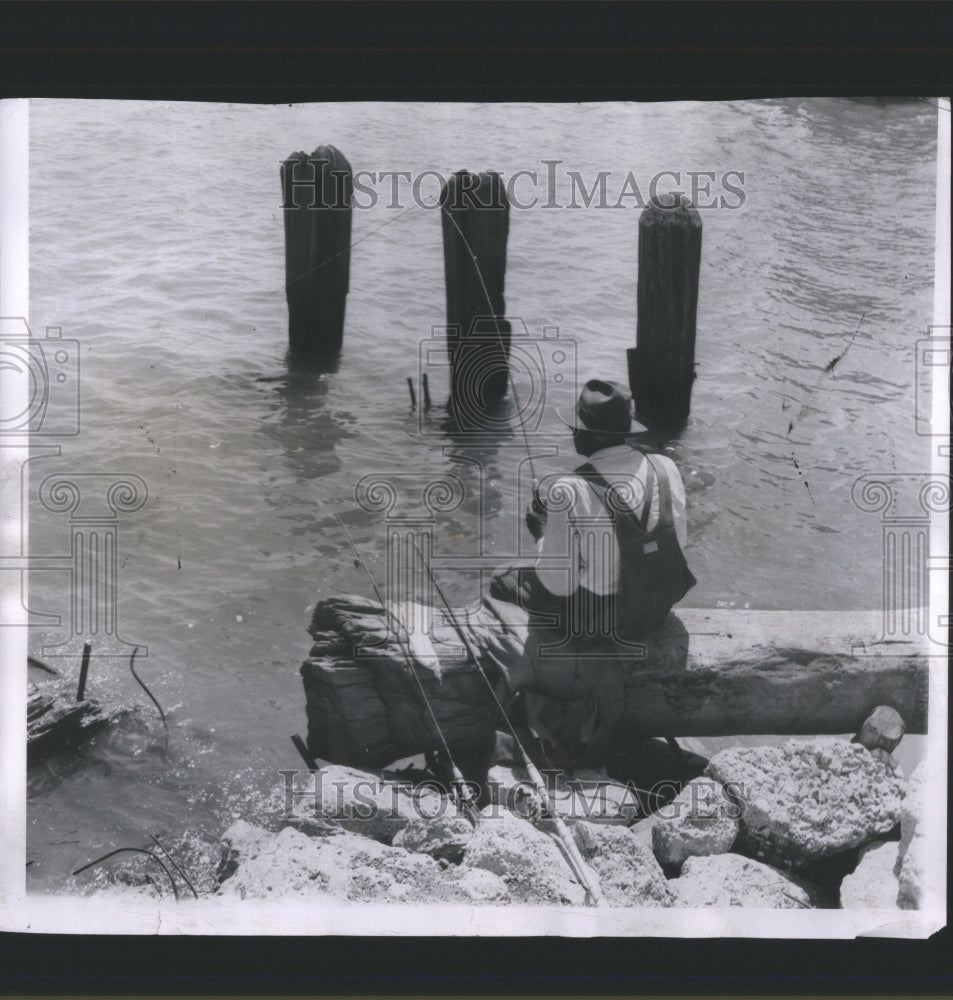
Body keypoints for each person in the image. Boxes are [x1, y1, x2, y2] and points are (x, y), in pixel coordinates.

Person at [492, 377, 694, 645]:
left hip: (602, 623)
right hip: (658, 607)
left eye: (577, 427)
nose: (573, 432)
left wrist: (541, 531)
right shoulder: (665, 467)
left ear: (591, 434)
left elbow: (558, 585)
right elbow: (679, 541)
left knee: (503, 579)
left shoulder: (570, 489)